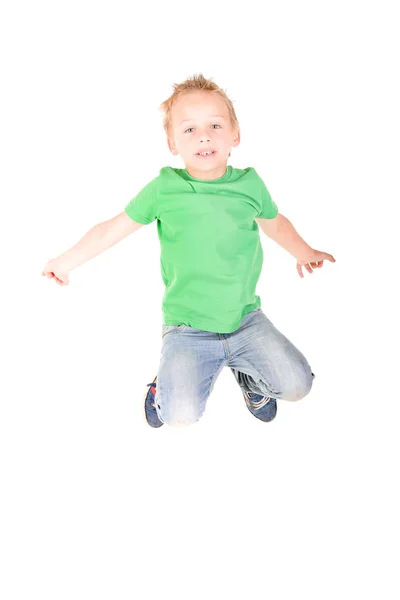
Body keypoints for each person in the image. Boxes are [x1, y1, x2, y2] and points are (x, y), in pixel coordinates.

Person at [42, 73, 335, 429]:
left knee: (298, 386)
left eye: (214, 125)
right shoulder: (165, 189)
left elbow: (276, 223)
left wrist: (304, 252)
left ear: (235, 135)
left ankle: (251, 382)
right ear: (173, 143)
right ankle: (160, 390)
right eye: (190, 130)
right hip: (188, 328)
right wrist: (64, 263)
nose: (204, 136)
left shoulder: (249, 185)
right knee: (179, 416)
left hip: (245, 320)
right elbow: (110, 230)